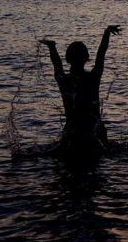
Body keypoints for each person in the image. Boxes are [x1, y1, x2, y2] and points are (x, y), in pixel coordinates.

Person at [40, 25, 121, 157]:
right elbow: (101, 55)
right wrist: (106, 33)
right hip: (94, 132)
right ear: (87, 58)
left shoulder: (64, 80)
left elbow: (57, 64)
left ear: (67, 59)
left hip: (73, 133)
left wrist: (52, 47)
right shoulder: (93, 77)